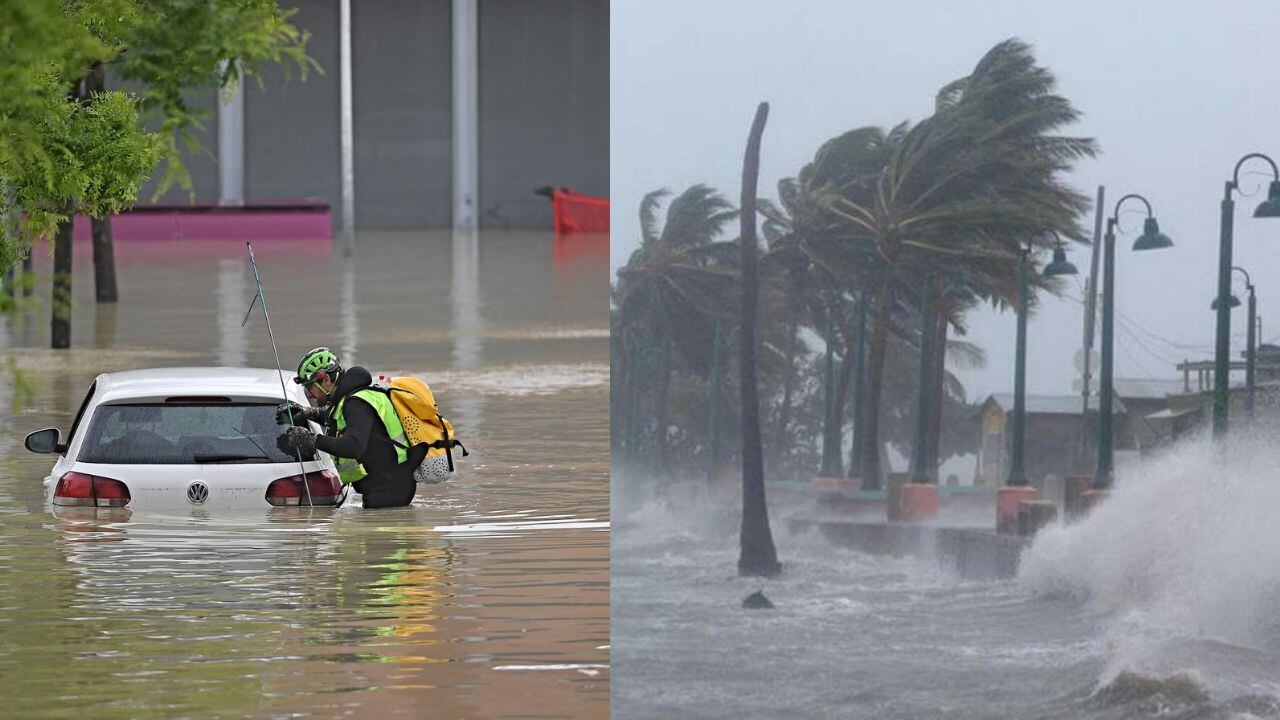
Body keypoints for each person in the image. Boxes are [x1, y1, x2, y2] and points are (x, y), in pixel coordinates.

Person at [276, 347, 418, 508]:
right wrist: (311, 413)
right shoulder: (349, 399)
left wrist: (312, 439)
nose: (309, 394)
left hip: (389, 490)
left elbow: (354, 446)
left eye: (310, 387)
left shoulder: (356, 403)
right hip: (386, 486)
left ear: (326, 380)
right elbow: (341, 422)